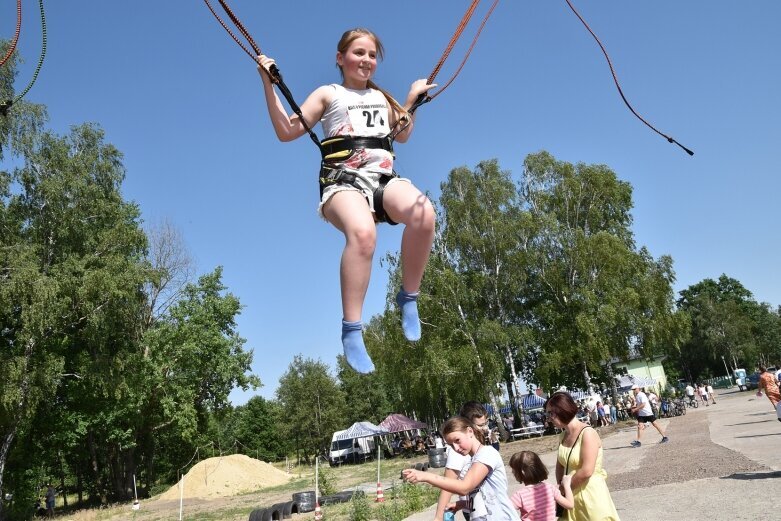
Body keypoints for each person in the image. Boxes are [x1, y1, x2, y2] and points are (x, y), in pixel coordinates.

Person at [257, 28, 436, 374]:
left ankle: (408, 298)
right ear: (340, 58)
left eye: (372, 55)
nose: (366, 60)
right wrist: (269, 84)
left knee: (424, 214)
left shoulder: (382, 98)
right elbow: (287, 130)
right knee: (364, 234)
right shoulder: (329, 93)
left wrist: (411, 99)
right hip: (343, 182)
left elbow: (404, 132)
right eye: (358, 53)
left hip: (383, 178)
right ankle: (352, 330)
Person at [403, 416, 519, 521]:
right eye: (451, 445)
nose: (456, 448)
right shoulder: (472, 460)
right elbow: (485, 497)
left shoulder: (487, 454)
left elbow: (465, 487)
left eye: (457, 440)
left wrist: (426, 476)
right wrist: (462, 504)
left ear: (469, 431)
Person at [545, 392, 620, 521]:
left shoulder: (588, 433)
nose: (549, 418)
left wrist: (563, 489)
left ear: (563, 410)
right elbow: (560, 465)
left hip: (590, 495)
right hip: (571, 497)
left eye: (551, 413)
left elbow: (587, 471)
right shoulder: (563, 436)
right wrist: (561, 486)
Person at [434, 402, 491, 521]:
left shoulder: (480, 447)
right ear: (467, 426)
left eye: (485, 423)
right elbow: (448, 485)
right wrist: (438, 517)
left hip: (488, 508)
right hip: (473, 511)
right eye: (480, 426)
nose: (485, 429)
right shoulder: (459, 451)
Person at [508, 451, 574, 521]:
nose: (512, 472)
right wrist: (567, 486)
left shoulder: (519, 496)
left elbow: (505, 511)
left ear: (522, 473)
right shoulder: (550, 488)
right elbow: (570, 505)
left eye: (514, 470)